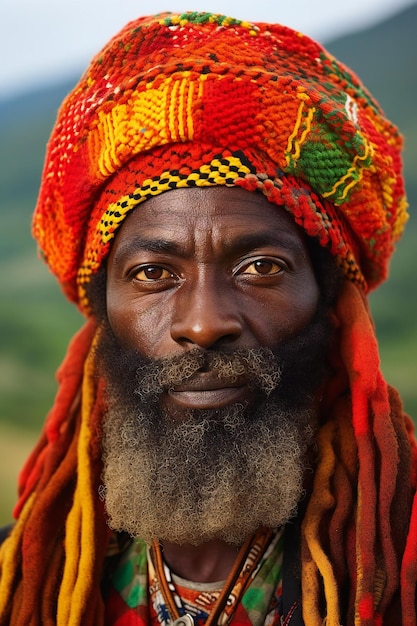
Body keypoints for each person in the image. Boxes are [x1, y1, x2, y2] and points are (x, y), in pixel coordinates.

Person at [0, 10, 416, 626]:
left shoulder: (397, 563)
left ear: (331, 303)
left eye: (261, 267)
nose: (203, 323)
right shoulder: (31, 582)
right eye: (151, 274)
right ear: (102, 313)